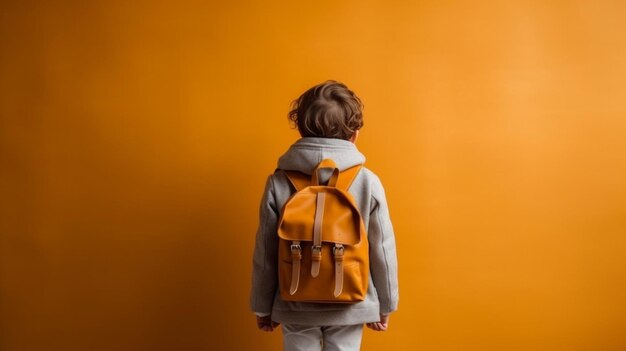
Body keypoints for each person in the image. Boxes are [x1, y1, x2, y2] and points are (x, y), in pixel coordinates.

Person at [250, 80, 399, 351]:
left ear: (301, 129)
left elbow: (265, 253)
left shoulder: (278, 182)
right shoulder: (368, 182)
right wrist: (385, 304)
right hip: (352, 301)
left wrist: (262, 306)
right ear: (353, 135)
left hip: (294, 299)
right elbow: (383, 249)